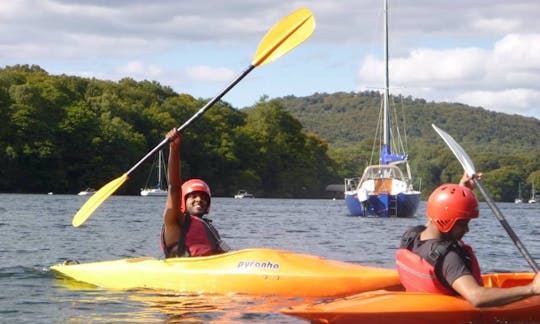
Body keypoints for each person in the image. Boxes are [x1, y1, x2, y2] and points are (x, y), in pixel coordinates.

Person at [396, 172, 540, 307]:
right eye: (463, 224)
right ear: (446, 222)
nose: (467, 230)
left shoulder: (411, 236)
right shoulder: (449, 259)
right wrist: (532, 289)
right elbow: (476, 297)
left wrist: (461, 191)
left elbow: (439, 212)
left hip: (423, 305)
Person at [161, 128, 231, 258]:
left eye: (204, 197)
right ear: (183, 201)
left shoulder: (209, 228)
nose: (199, 200)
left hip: (212, 272)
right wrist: (174, 149)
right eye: (193, 196)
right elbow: (174, 188)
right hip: (184, 274)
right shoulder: (174, 221)